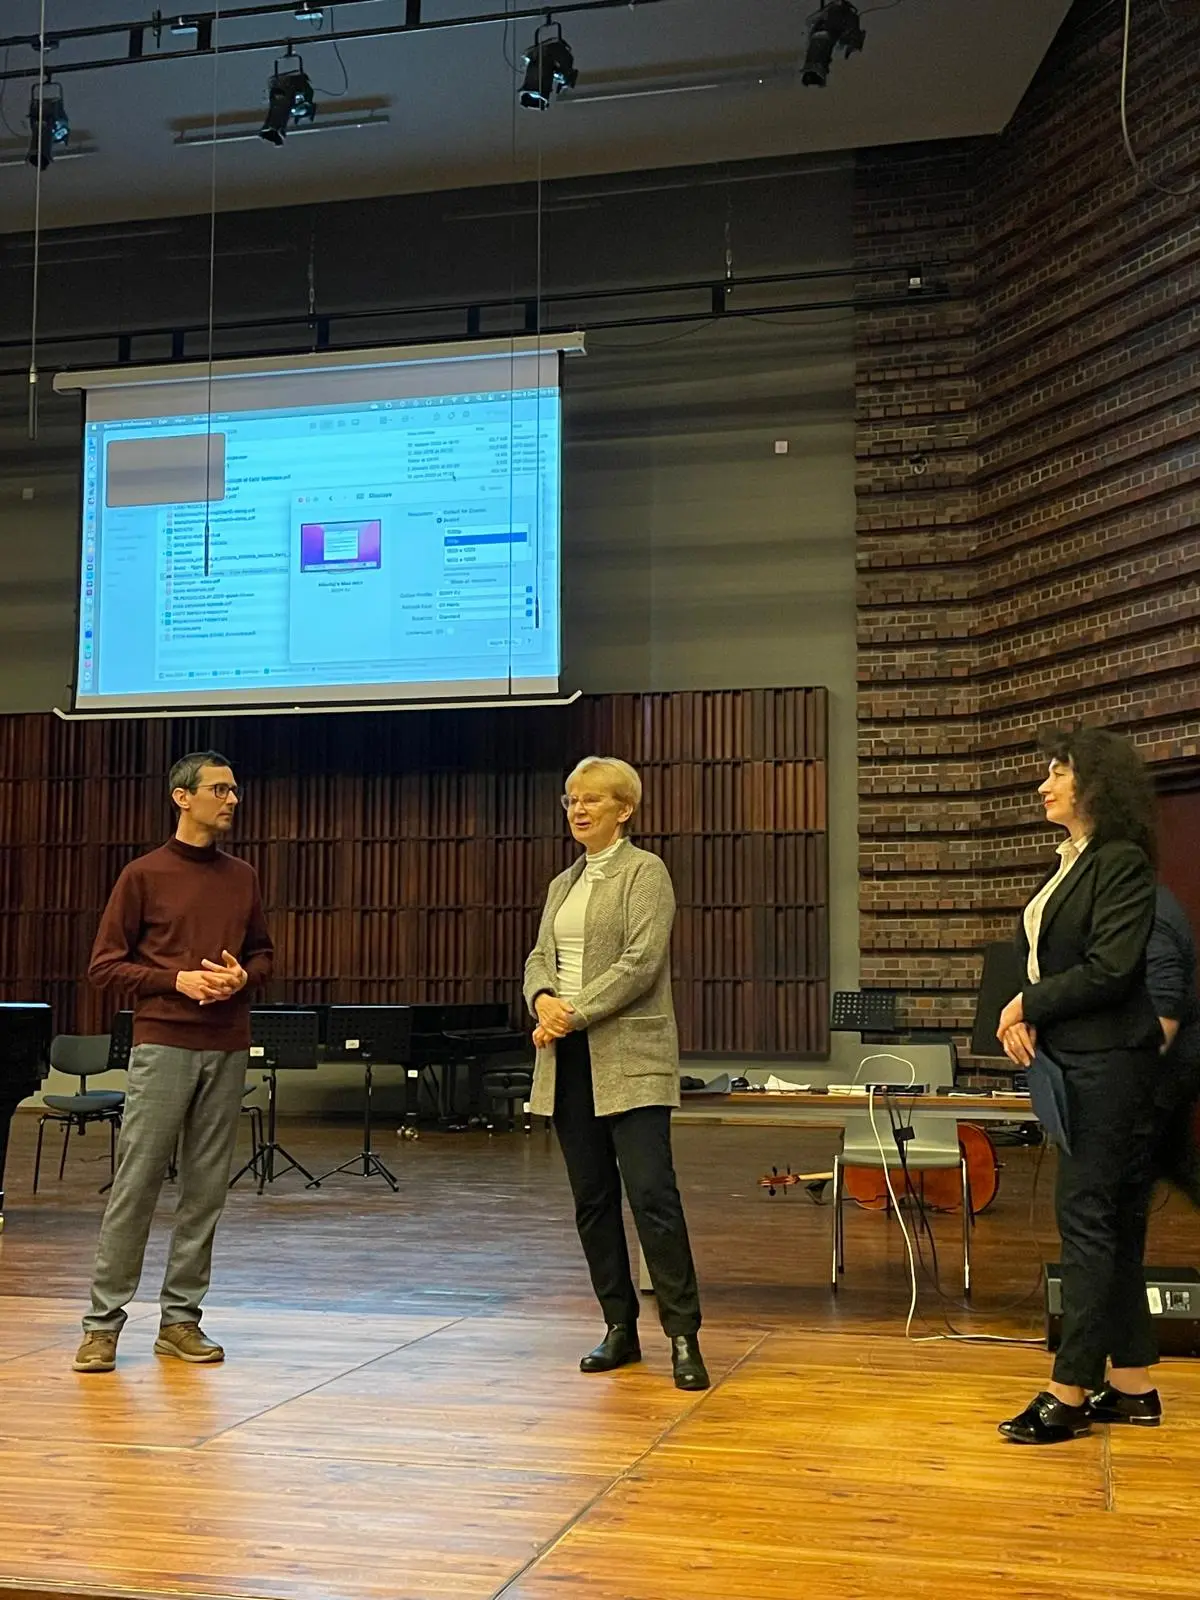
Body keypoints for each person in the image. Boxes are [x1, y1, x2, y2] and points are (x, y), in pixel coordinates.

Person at [73, 751, 273, 1374]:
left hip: (227, 1044)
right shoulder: (143, 875)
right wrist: (176, 980)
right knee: (136, 1186)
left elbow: (263, 954)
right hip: (163, 1044)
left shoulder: (242, 876)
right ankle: (102, 1325)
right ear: (182, 797)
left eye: (234, 789)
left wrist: (243, 978)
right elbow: (104, 966)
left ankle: (180, 1321)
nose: (232, 799)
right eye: (219, 789)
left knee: (205, 1191)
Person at [996, 726, 1162, 1443]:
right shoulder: (1070, 862)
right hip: (1077, 1061)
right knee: (1111, 1225)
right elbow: (1048, 962)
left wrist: (1027, 1004)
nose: (1044, 784)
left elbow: (1111, 969)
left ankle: (1068, 1391)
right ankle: (1132, 1386)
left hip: (1110, 1066)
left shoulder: (1120, 862)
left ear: (1096, 783)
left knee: (1088, 1223)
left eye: (1058, 772)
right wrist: (1025, 1013)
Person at [523, 755, 708, 1391]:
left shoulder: (645, 872)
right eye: (571, 799)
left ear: (624, 809)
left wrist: (570, 1012)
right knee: (593, 1200)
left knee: (652, 1195)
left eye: (592, 799)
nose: (578, 809)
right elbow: (539, 956)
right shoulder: (562, 883)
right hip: (567, 1058)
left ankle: (683, 1335)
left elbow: (640, 962)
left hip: (628, 1056)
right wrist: (542, 999)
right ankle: (619, 1327)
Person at [1146, 884, 1200, 1205]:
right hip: (1174, 1062)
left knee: (1129, 1174)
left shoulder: (1150, 910)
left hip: (1167, 1065)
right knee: (1177, 1161)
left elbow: (1165, 1003)